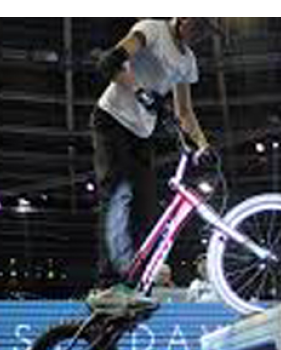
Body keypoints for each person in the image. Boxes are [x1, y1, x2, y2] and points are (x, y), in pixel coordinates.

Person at [86, 18, 220, 313]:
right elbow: (110, 63)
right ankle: (106, 286)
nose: (200, 35)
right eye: (198, 27)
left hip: (141, 134)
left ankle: (129, 287)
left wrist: (203, 145)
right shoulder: (151, 30)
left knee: (146, 210)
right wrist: (140, 91)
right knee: (118, 195)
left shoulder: (188, 61)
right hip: (111, 121)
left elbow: (185, 112)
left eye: (206, 32)